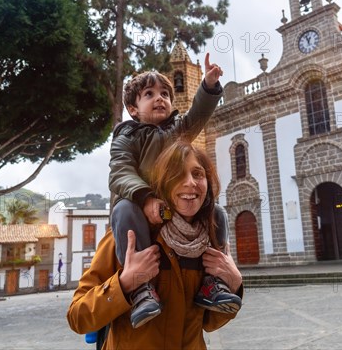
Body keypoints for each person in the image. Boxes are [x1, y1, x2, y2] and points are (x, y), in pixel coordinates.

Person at [68, 141, 243, 350]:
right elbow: (78, 317)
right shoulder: (128, 237)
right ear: (162, 183)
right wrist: (123, 284)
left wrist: (235, 284)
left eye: (198, 174)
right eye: (177, 174)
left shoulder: (208, 240)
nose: (190, 183)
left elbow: (209, 323)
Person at [109, 53, 241, 329]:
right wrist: (144, 197)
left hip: (172, 205)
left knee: (216, 212)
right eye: (149, 94)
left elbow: (198, 115)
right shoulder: (126, 136)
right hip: (138, 204)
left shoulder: (177, 131)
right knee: (123, 209)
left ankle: (213, 283)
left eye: (165, 94)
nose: (160, 98)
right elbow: (120, 172)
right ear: (133, 109)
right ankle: (140, 288)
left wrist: (208, 86)